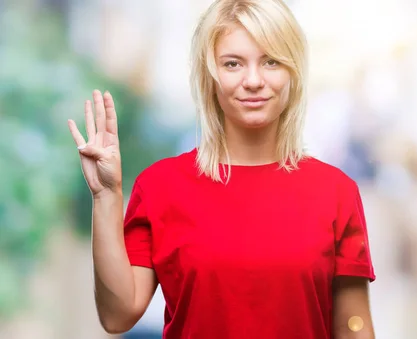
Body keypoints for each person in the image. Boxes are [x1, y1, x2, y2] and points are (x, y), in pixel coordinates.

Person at [67, 0, 376, 338]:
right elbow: (117, 315)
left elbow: (353, 325)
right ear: (209, 76)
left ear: (293, 72)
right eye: (233, 64)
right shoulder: (160, 187)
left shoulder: (336, 192)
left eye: (271, 61)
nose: (254, 80)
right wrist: (106, 195)